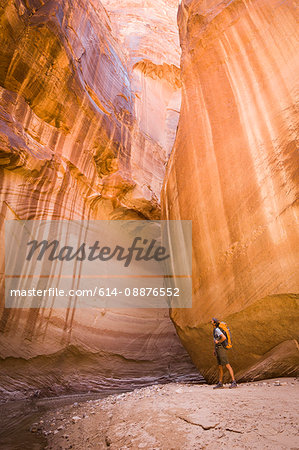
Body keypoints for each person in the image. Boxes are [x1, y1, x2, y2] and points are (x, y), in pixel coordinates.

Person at [212, 317, 237, 388]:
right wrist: (214, 350)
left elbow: (223, 338)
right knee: (220, 366)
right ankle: (220, 383)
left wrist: (218, 342)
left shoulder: (217, 329)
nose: (211, 322)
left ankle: (234, 381)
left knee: (227, 365)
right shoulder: (214, 330)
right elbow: (216, 340)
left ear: (214, 323)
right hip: (218, 349)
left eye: (212, 321)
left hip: (221, 349)